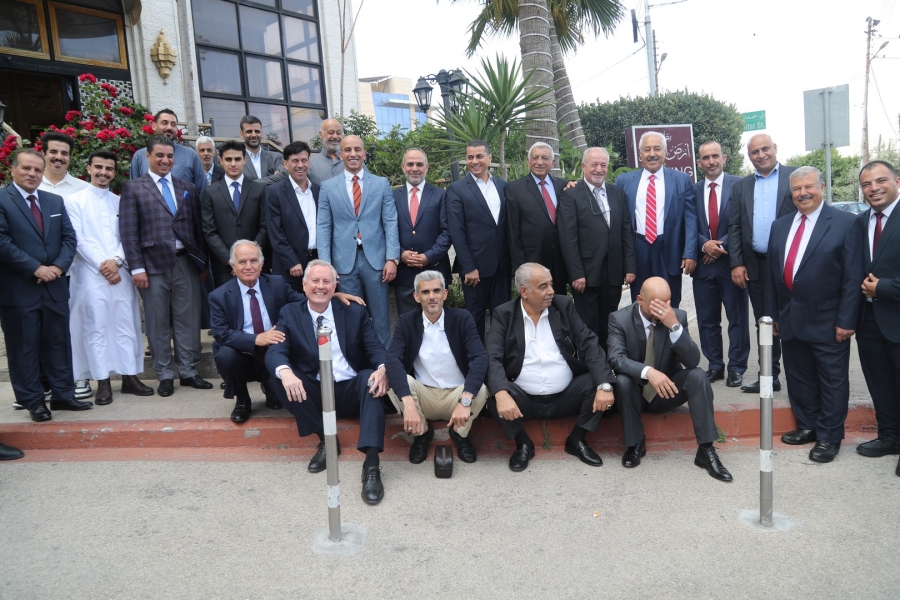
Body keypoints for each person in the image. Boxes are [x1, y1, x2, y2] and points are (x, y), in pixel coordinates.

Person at [266, 260, 390, 505]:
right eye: (315, 281)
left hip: (349, 389)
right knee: (278, 376)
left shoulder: (354, 311)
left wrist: (383, 368)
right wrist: (286, 372)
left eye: (326, 281)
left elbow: (375, 348)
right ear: (304, 285)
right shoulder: (290, 313)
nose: (320, 286)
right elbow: (276, 350)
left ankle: (372, 465)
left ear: (335, 286)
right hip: (315, 391)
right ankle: (327, 440)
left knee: (371, 379)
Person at [766, 167, 863, 463]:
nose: (803, 193)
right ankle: (808, 425)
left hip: (829, 320)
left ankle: (830, 437)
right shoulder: (780, 225)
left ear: (822, 187)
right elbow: (771, 275)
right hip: (790, 316)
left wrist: (847, 320)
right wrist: (773, 315)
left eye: (809, 186)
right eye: (797, 189)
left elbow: (853, 278)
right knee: (799, 376)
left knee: (832, 379)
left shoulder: (846, 223)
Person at [210, 240, 363, 423]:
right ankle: (242, 399)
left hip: (275, 348)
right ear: (233, 266)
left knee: (285, 350)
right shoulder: (219, 296)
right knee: (225, 354)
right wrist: (256, 339)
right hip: (243, 353)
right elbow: (221, 333)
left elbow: (305, 301)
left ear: (262, 264)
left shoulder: (276, 283)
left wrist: (332, 296)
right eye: (242, 262)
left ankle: (271, 386)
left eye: (254, 261)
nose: (249, 266)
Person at [485, 263, 616, 471]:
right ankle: (523, 444)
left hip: (566, 396)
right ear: (524, 292)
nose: (551, 291)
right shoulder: (504, 314)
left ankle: (577, 439)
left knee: (600, 381)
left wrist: (605, 385)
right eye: (543, 286)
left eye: (551, 284)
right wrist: (501, 393)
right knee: (495, 394)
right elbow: (492, 357)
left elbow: (589, 343)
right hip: (523, 400)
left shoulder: (563, 306)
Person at [607, 277, 732, 481]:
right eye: (657, 305)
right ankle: (635, 443)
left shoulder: (677, 317)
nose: (663, 310)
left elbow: (692, 361)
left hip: (667, 392)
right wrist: (648, 371)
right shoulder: (619, 319)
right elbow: (616, 359)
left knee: (698, 375)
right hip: (635, 393)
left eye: (667, 303)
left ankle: (706, 450)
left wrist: (674, 327)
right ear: (639, 299)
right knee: (622, 381)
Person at [0, 149, 92, 421]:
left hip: (54, 286)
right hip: (19, 289)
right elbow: (2, 241)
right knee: (24, 348)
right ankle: (33, 401)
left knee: (58, 343)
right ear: (13, 170)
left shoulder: (54, 201)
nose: (32, 174)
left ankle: (64, 395)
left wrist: (58, 267)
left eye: (37, 170)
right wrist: (35, 268)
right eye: (26, 168)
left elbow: (69, 238)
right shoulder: (2, 199)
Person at [119, 135, 213, 397]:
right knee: (157, 321)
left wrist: (202, 262)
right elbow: (128, 232)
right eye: (159, 155)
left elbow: (197, 229)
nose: (165, 160)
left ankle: (189, 371)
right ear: (148, 156)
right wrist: (136, 268)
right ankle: (164, 374)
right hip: (152, 266)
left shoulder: (187, 188)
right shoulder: (133, 188)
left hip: (186, 262)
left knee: (188, 318)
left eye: (169, 156)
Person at [66, 151, 153, 404]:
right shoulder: (74, 201)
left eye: (108, 169)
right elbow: (77, 239)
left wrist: (116, 261)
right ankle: (102, 381)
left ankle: (129, 377)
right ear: (89, 168)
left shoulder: (120, 201)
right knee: (96, 326)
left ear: (115, 173)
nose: (103, 172)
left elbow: (131, 234)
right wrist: (103, 266)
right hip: (90, 274)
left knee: (126, 324)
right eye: (99, 167)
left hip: (121, 270)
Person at [386, 270, 489, 464]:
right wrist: (408, 403)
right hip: (424, 396)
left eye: (436, 291)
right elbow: (392, 358)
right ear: (417, 296)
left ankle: (459, 434)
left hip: (457, 396)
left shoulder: (462, 318)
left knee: (481, 389)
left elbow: (480, 357)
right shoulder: (406, 322)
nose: (432, 296)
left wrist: (465, 399)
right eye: (425, 292)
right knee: (395, 379)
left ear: (445, 294)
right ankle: (422, 433)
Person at [728, 134, 796, 394]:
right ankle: (769, 375)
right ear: (750, 156)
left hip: (790, 265)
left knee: (794, 319)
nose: (761, 155)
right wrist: (737, 262)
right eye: (755, 152)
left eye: (765, 149)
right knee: (764, 322)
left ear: (775, 148)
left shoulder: (794, 177)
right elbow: (735, 226)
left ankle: (800, 377)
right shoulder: (741, 187)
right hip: (756, 266)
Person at [317, 135, 399, 348]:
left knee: (381, 319)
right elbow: (324, 227)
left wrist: (392, 258)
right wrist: (326, 266)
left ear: (364, 153)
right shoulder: (328, 187)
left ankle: (384, 362)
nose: (353, 154)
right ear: (340, 154)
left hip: (376, 262)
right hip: (343, 263)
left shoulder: (381, 184)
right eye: (348, 150)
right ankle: (357, 363)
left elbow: (390, 222)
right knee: (352, 318)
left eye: (357, 149)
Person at [558, 147, 635, 350]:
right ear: (583, 166)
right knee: (588, 325)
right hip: (586, 274)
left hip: (613, 272)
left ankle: (611, 361)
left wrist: (629, 267)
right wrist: (576, 273)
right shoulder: (571, 195)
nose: (599, 169)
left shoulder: (617, 193)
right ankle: (591, 365)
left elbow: (626, 231)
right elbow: (568, 239)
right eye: (594, 164)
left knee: (610, 323)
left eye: (603, 165)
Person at [37, 131, 92, 401]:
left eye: (64, 153)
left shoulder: (82, 189)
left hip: (71, 272)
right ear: (43, 153)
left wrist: (59, 266)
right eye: (54, 152)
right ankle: (42, 385)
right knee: (39, 331)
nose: (59, 157)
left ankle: (79, 377)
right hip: (33, 273)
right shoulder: (30, 185)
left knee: (72, 327)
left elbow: (82, 235)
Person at [613, 131, 697, 307]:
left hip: (669, 250)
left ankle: (670, 326)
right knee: (640, 302)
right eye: (647, 149)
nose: (652, 154)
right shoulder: (624, 181)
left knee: (670, 302)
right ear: (640, 154)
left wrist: (690, 252)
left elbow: (690, 219)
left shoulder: (681, 180)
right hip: (638, 250)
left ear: (665, 152)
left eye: (657, 149)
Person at [690, 141, 750, 388]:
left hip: (733, 265)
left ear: (724, 158)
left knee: (737, 319)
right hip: (703, 267)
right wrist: (704, 244)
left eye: (715, 156)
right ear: (699, 163)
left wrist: (718, 246)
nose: (711, 161)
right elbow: (687, 224)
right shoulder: (692, 190)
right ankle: (715, 365)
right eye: (705, 158)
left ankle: (737, 367)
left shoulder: (741, 185)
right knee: (707, 321)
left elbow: (745, 221)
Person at [854, 160, 900, 476]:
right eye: (867, 184)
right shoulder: (859, 223)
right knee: (879, 381)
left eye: (881, 180)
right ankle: (890, 437)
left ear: (897, 182)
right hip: (868, 320)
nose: (874, 188)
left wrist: (883, 288)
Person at [446, 140, 510, 341]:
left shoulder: (503, 186)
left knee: (503, 318)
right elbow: (457, 231)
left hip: (502, 266)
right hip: (475, 269)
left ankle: (500, 358)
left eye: (479, 156)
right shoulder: (457, 189)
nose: (474, 161)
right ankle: (476, 359)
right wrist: (469, 267)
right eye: (470, 157)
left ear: (489, 158)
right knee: (475, 319)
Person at [200, 140, 268, 288]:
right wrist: (231, 260)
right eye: (228, 159)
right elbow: (209, 231)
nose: (233, 164)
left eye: (237, 159)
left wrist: (251, 258)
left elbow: (265, 226)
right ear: (220, 161)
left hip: (255, 264)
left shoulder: (259, 189)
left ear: (245, 160)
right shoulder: (210, 192)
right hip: (224, 267)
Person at [392, 148, 451, 315]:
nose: (414, 168)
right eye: (410, 164)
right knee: (407, 322)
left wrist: (429, 256)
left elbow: (447, 232)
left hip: (435, 271)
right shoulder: (392, 196)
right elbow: (386, 230)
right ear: (403, 167)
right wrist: (399, 254)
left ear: (427, 167)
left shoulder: (441, 195)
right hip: (404, 273)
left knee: (437, 320)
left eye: (419, 164)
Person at [506, 142, 568, 287]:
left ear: (553, 163)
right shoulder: (515, 188)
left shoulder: (563, 186)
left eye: (545, 158)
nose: (539, 162)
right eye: (535, 158)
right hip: (532, 262)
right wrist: (520, 267)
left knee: (559, 300)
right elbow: (512, 232)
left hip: (560, 262)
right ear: (528, 162)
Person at [266, 141, 319, 292]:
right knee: (290, 305)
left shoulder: (319, 191)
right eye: (295, 161)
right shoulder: (274, 192)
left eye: (304, 160)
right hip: (289, 266)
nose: (300, 165)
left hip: (316, 262)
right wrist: (291, 261)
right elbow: (275, 232)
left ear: (309, 162)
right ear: (286, 164)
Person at [130, 109, 207, 194]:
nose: (169, 127)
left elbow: (202, 191)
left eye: (173, 124)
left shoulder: (191, 155)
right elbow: (134, 190)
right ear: (154, 126)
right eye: (164, 123)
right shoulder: (140, 156)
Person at [238, 116, 283, 181]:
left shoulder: (275, 157)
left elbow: (283, 176)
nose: (254, 135)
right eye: (249, 131)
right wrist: (273, 178)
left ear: (261, 133)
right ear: (241, 134)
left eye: (257, 131)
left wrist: (253, 184)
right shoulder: (236, 159)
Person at [308, 118, 344, 185]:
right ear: (321, 134)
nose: (335, 136)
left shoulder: (351, 160)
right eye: (331, 132)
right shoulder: (310, 163)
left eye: (338, 133)